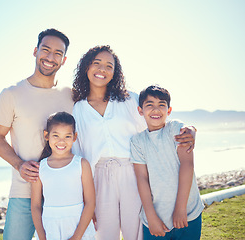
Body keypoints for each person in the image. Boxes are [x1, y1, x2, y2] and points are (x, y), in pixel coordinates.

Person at [71, 45, 196, 240]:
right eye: (96, 63)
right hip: (99, 177)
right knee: (104, 234)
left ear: (115, 73)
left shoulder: (129, 99)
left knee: (136, 234)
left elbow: (158, 121)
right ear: (86, 67)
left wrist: (191, 130)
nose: (102, 69)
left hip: (133, 172)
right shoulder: (78, 109)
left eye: (108, 66)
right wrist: (85, 199)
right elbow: (78, 154)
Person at [0, 29, 73, 240]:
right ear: (35, 51)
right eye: (45, 50)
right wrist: (19, 164)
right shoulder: (11, 94)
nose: (50, 57)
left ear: (64, 60)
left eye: (57, 53)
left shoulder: (71, 95)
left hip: (64, 192)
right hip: (24, 191)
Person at [130, 85, 204, 240]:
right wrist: (150, 216)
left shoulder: (175, 128)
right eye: (149, 105)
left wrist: (180, 208)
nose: (156, 110)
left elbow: (187, 165)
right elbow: (142, 179)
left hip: (188, 212)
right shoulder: (137, 141)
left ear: (169, 111)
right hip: (157, 217)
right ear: (140, 111)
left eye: (161, 105)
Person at [31, 111, 96, 240]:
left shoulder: (82, 164)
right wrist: (42, 236)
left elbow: (90, 202)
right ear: (46, 135)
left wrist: (77, 236)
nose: (61, 141)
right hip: (51, 227)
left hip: (78, 227)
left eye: (67, 136)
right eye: (56, 135)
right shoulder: (40, 168)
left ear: (74, 137)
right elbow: (36, 205)